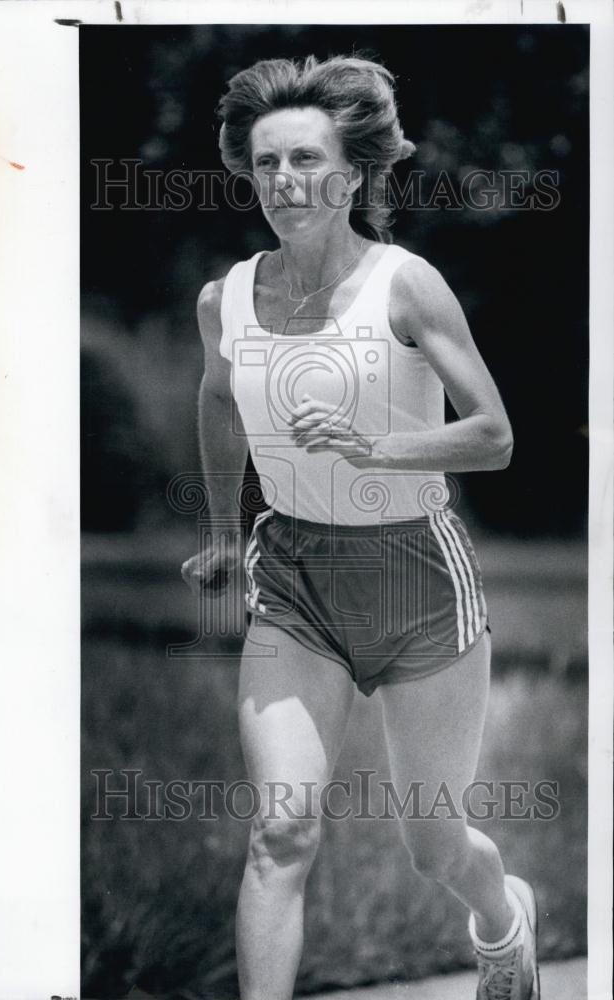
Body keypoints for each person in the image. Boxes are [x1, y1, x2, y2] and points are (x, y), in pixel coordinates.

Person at [180, 54, 539, 1000]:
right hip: (295, 584)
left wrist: (375, 448)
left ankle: (502, 921)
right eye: (265, 165)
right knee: (280, 831)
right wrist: (225, 532)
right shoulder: (227, 299)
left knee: (431, 842)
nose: (285, 183)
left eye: (306, 160)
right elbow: (218, 402)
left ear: (351, 173)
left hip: (419, 581)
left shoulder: (406, 286)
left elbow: (495, 436)